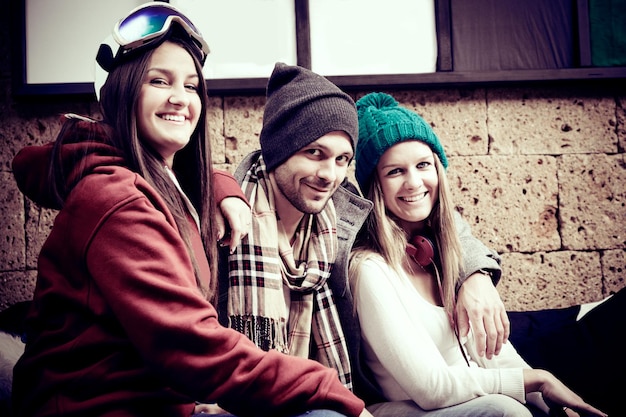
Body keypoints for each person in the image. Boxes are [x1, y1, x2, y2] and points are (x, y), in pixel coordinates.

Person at [10, 3, 374, 417]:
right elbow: (192, 347)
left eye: (190, 86)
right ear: (122, 89)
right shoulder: (117, 200)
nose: (180, 99)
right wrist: (328, 389)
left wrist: (219, 188)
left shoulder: (166, 188)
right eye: (159, 81)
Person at [217, 62, 510, 409]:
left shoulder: (336, 220)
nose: (329, 174)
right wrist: (216, 187)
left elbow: (446, 222)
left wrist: (476, 273)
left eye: (343, 159)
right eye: (314, 152)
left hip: (322, 396)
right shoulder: (231, 220)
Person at [348, 92, 607, 417]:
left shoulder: (444, 258)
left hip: (468, 403)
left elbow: (495, 355)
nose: (414, 182)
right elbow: (431, 388)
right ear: (376, 186)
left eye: (423, 165)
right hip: (407, 409)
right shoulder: (369, 270)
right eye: (395, 171)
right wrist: (536, 380)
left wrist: (555, 404)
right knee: (505, 411)